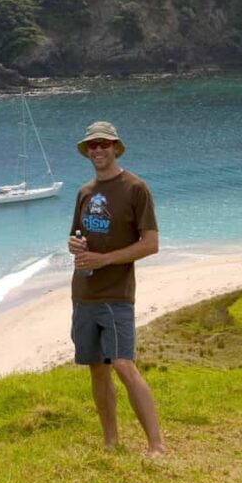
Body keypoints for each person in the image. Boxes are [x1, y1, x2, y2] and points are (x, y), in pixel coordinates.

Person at [68, 121, 165, 456]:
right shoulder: (83, 192)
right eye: (92, 146)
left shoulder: (136, 188)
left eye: (103, 144)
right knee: (97, 368)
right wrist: (75, 247)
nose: (98, 150)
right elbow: (78, 239)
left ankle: (156, 445)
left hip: (116, 294)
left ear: (115, 148)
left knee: (123, 364)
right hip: (83, 294)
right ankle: (111, 441)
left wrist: (104, 260)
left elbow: (150, 244)